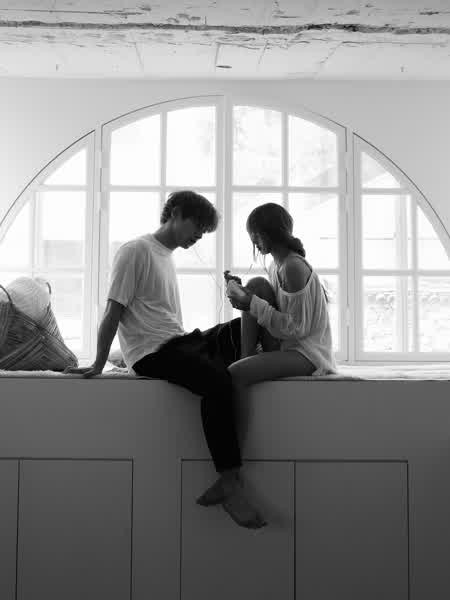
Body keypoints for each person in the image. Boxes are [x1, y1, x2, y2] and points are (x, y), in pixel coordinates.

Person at [65, 190, 267, 530]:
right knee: (218, 381)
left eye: (204, 231)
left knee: (246, 323)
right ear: (175, 213)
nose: (199, 235)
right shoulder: (136, 250)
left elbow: (152, 315)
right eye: (197, 226)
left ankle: (287, 359)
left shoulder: (165, 257)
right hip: (154, 352)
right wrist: (99, 362)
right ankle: (230, 482)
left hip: (182, 342)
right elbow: (113, 311)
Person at [225, 202, 337, 391]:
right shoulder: (275, 266)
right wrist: (242, 293)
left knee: (235, 373)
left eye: (254, 234)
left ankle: (245, 364)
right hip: (286, 344)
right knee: (256, 284)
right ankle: (246, 355)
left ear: (267, 233)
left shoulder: (293, 267)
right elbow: (270, 308)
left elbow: (298, 328)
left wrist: (251, 303)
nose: (253, 240)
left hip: (308, 353)